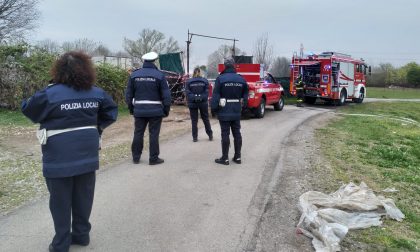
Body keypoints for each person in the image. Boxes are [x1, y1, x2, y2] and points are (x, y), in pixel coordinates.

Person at [21, 51, 118, 252]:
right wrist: (95, 127)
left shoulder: (50, 93)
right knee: (84, 196)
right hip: (87, 154)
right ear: (87, 70)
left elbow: (28, 109)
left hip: (58, 157)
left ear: (59, 70)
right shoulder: (97, 93)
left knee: (60, 201)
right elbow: (111, 113)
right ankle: (82, 236)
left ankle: (61, 243)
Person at [125, 51, 171, 165]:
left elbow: (128, 95)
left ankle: (136, 157)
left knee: (138, 133)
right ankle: (153, 158)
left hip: (139, 110)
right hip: (156, 111)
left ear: (144, 61)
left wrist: (131, 109)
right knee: (154, 134)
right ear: (154, 61)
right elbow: (166, 95)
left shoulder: (134, 75)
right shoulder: (160, 75)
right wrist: (166, 109)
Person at [211, 58, 248, 165]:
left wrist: (213, 109)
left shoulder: (221, 79)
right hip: (236, 110)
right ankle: (237, 157)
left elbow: (216, 96)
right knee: (237, 133)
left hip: (224, 110)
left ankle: (225, 158)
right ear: (234, 66)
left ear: (225, 66)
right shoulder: (241, 79)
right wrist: (244, 107)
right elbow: (246, 94)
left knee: (225, 134)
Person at [185, 67, 213, 142]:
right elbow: (206, 92)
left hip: (193, 103)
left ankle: (195, 137)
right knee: (205, 119)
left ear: (193, 72)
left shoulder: (189, 81)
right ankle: (210, 135)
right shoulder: (205, 81)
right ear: (200, 72)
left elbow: (188, 93)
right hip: (203, 103)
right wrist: (200, 97)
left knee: (194, 121)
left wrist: (194, 97)